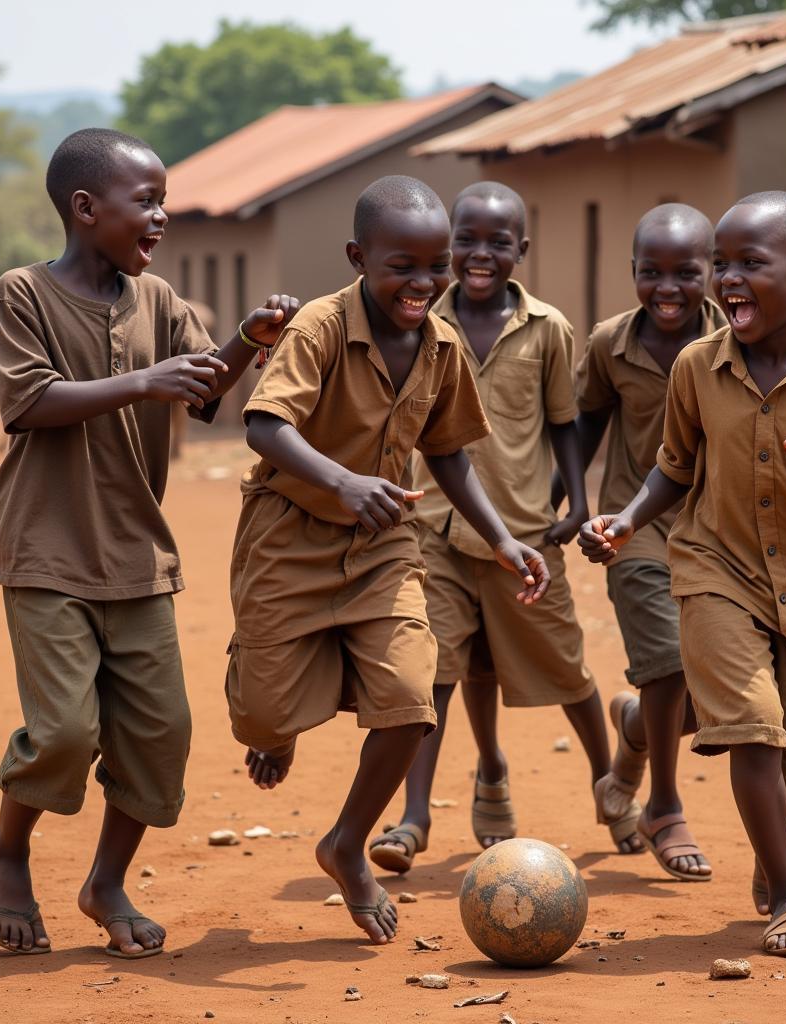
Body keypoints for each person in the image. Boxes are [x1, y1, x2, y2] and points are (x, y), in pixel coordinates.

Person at [0, 128, 297, 958]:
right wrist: (143, 381)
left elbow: (203, 393)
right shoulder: (23, 294)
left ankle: (105, 882)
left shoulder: (159, 303)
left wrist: (245, 344)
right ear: (86, 210)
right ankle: (7, 850)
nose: (160, 217)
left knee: (161, 738)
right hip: (46, 553)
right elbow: (29, 402)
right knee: (63, 733)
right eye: (145, 202)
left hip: (138, 558)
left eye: (163, 201)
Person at [226, 175, 550, 945]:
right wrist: (340, 479)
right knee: (262, 717)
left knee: (412, 700)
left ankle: (345, 843)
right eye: (402, 265)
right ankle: (279, 720)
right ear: (358, 256)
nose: (424, 283)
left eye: (435, 265)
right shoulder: (319, 327)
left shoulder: (440, 345)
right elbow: (263, 425)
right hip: (289, 533)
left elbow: (447, 454)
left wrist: (504, 540)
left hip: (381, 547)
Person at [579, 191, 786, 956]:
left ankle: (770, 849)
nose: (728, 279)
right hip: (712, 569)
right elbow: (673, 467)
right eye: (725, 263)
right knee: (755, 730)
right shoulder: (697, 367)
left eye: (751, 263)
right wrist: (625, 520)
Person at [367, 180, 614, 873]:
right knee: (432, 672)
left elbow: (565, 423)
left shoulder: (549, 330)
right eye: (465, 242)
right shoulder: (419, 317)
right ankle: (413, 816)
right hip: (435, 530)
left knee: (563, 665)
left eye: (496, 243)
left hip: (524, 528)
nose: (479, 255)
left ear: (521, 250)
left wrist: (577, 502)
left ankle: (611, 783)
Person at [562, 204, 725, 877]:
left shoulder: (735, 337)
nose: (668, 287)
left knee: (713, 698)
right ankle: (664, 804)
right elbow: (582, 427)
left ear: (710, 273)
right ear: (631, 272)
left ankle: (632, 729)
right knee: (667, 664)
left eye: (686, 272)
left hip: (721, 530)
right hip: (636, 526)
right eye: (651, 272)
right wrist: (571, 507)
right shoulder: (609, 344)